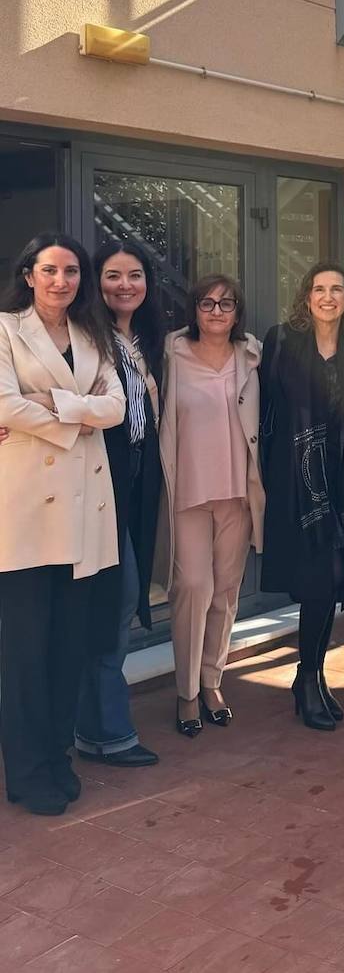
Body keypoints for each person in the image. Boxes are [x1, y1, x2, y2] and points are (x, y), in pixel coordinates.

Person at [0, 233, 124, 814]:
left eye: (72, 272)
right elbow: (3, 403)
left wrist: (51, 405)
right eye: (49, 270)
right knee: (25, 652)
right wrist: (80, 410)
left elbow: (117, 407)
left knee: (67, 647)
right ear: (29, 274)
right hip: (26, 514)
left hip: (83, 513)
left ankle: (57, 755)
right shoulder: (5, 329)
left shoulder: (93, 335)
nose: (61, 281)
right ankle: (26, 773)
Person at [259, 262, 344, 730]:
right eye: (319, 289)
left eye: (337, 290)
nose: (328, 297)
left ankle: (312, 675)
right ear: (306, 296)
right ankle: (307, 679)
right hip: (297, 482)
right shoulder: (283, 341)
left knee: (333, 580)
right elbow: (264, 412)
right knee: (319, 579)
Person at [158, 275, 264, 737]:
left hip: (237, 494)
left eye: (226, 304)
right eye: (207, 303)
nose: (217, 311)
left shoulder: (252, 355)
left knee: (225, 591)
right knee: (193, 588)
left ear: (238, 313)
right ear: (194, 309)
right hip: (187, 494)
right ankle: (185, 691)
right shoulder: (171, 354)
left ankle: (211, 680)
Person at [74, 238, 165, 768]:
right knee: (114, 604)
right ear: (95, 281)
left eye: (134, 275)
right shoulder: (87, 337)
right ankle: (105, 732)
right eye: (112, 275)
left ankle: (97, 727)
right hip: (97, 492)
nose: (124, 285)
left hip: (134, 491)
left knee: (119, 604)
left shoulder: (144, 341)